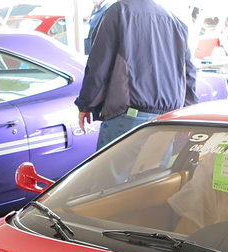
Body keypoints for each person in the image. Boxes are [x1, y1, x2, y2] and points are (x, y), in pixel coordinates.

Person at [76, 0, 197, 151]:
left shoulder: (118, 12)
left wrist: (86, 104)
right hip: (166, 120)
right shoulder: (175, 21)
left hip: (128, 117)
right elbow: (189, 72)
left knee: (108, 175)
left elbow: (99, 64)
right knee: (154, 174)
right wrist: (187, 111)